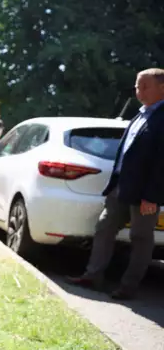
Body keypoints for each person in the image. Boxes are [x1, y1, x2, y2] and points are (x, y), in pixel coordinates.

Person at [68, 68, 164, 300]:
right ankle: (93, 276)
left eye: (144, 87)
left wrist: (152, 196)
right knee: (104, 228)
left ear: (162, 88)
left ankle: (128, 287)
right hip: (121, 186)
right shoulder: (140, 114)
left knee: (140, 238)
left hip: (145, 193)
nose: (138, 91)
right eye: (137, 86)